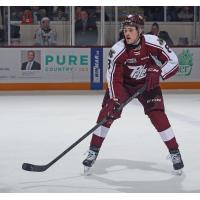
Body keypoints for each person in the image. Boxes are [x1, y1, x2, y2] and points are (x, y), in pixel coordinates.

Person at [83, 14, 184, 174]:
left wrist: (158, 72)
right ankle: (93, 151)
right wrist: (116, 99)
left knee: (158, 116)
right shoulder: (118, 50)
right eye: (125, 30)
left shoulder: (153, 42)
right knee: (107, 114)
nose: (127, 34)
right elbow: (112, 77)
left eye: (131, 30)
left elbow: (174, 62)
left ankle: (174, 152)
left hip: (147, 84)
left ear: (140, 31)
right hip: (124, 86)